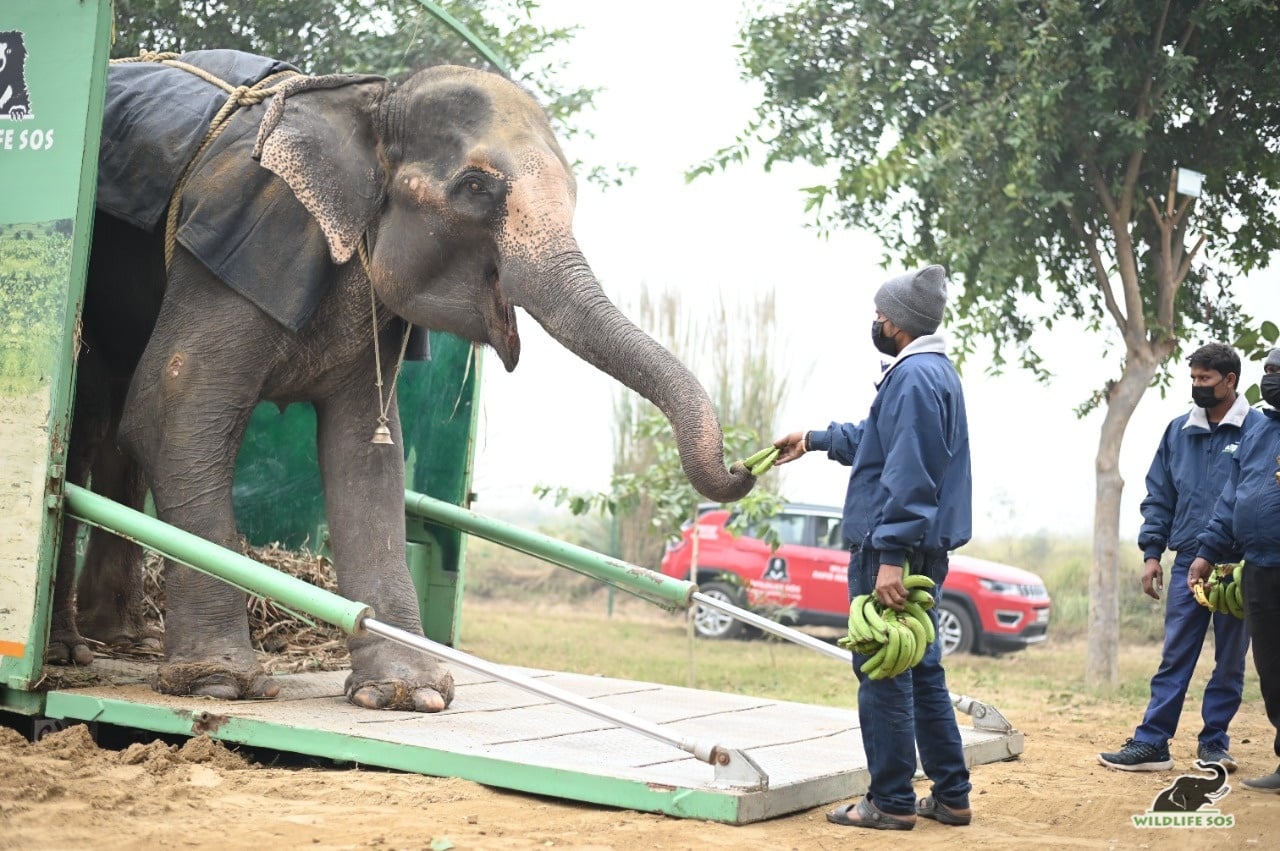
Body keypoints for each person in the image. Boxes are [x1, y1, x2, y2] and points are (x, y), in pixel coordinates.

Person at [772, 264, 972, 830]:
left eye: (882, 315)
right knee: (923, 668)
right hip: (921, 547)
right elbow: (879, 442)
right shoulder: (931, 373)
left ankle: (889, 801)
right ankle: (952, 795)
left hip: (895, 550)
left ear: (902, 323)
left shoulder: (912, 379)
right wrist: (815, 439)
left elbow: (910, 476)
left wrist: (889, 556)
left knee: (882, 670)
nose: (877, 322)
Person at [1098, 344, 1255, 773]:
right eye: (1194, 379)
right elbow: (1160, 496)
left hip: (1237, 567)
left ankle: (1214, 744)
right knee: (1175, 656)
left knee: (1229, 660)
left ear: (1230, 380)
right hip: (1188, 562)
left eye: (1205, 379)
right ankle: (1152, 743)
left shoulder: (1255, 430)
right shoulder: (1178, 431)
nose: (1197, 387)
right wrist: (1152, 554)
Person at [1189, 347, 1280, 792]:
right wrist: (1206, 552)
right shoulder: (1258, 430)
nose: (1271, 378)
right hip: (1260, 568)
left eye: (1279, 372)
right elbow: (1231, 499)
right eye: (1268, 371)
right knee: (1272, 666)